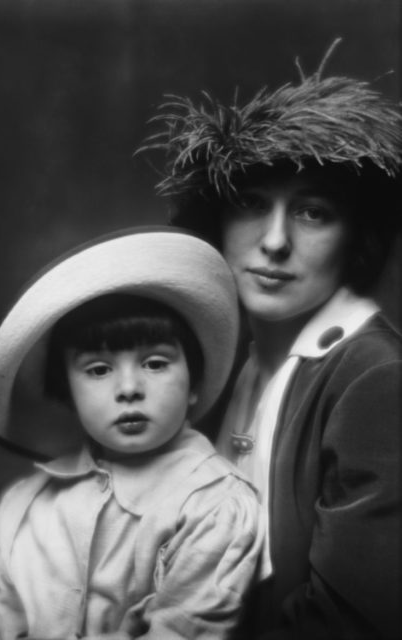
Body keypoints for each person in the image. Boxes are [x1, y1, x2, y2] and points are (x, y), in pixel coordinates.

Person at [139, 40, 402, 639]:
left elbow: (350, 623)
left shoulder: (376, 378)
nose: (275, 242)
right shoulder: (222, 363)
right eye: (252, 204)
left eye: (312, 213)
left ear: (355, 236)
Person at [0, 227, 265, 639]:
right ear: (67, 392)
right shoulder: (30, 505)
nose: (128, 388)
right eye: (98, 370)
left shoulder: (212, 506)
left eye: (156, 364)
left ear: (194, 383)